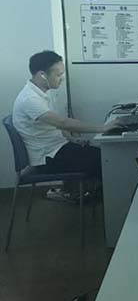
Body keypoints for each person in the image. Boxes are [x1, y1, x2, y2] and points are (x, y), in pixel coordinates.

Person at [12, 51, 121, 194]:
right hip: (48, 159)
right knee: (105, 160)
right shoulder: (30, 100)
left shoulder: (39, 94)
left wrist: (71, 139)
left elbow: (53, 125)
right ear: (42, 75)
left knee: (105, 155)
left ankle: (97, 196)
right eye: (58, 75)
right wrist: (103, 128)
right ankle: (109, 200)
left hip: (55, 149)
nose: (62, 79)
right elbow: (62, 123)